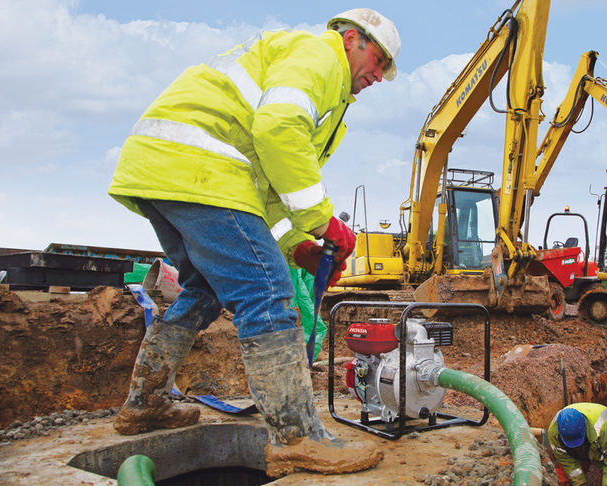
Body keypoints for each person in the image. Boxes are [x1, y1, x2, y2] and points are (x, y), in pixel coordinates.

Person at [107, 8, 400, 478]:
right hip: (203, 166)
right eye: (379, 60)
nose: (379, 75)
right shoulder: (321, 57)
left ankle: (146, 402)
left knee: (205, 290)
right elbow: (279, 128)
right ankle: (297, 438)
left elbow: (268, 190)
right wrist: (323, 222)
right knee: (267, 292)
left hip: (165, 168)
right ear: (350, 39)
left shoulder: (315, 84)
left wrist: (299, 246)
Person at [547, 403, 607, 486]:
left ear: (585, 423)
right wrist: (581, 484)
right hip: (580, 449)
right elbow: (568, 463)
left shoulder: (605, 429)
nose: (577, 447)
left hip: (602, 442)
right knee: (564, 477)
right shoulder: (554, 434)